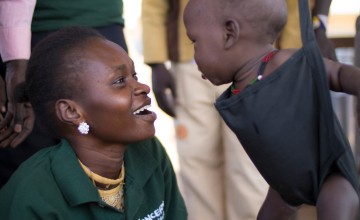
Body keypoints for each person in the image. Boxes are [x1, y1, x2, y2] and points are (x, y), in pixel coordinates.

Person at [183, 0, 360, 219]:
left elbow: (338, 74)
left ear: (229, 33)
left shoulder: (287, 63)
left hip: (329, 175)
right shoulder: (236, 93)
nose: (194, 56)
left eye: (195, 42)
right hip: (282, 185)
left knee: (334, 207)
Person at [0, 26, 188, 219]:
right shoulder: (32, 197)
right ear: (72, 112)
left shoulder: (150, 152)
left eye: (135, 76)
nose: (143, 87)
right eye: (119, 81)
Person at [141, 0, 268, 219]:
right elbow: (154, 4)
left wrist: (289, 52)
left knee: (249, 161)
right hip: (191, 59)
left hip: (251, 59)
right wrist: (157, 62)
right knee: (197, 158)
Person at [0, 0, 128, 187]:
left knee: (108, 165)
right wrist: (13, 59)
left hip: (101, 25)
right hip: (26, 40)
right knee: (25, 166)